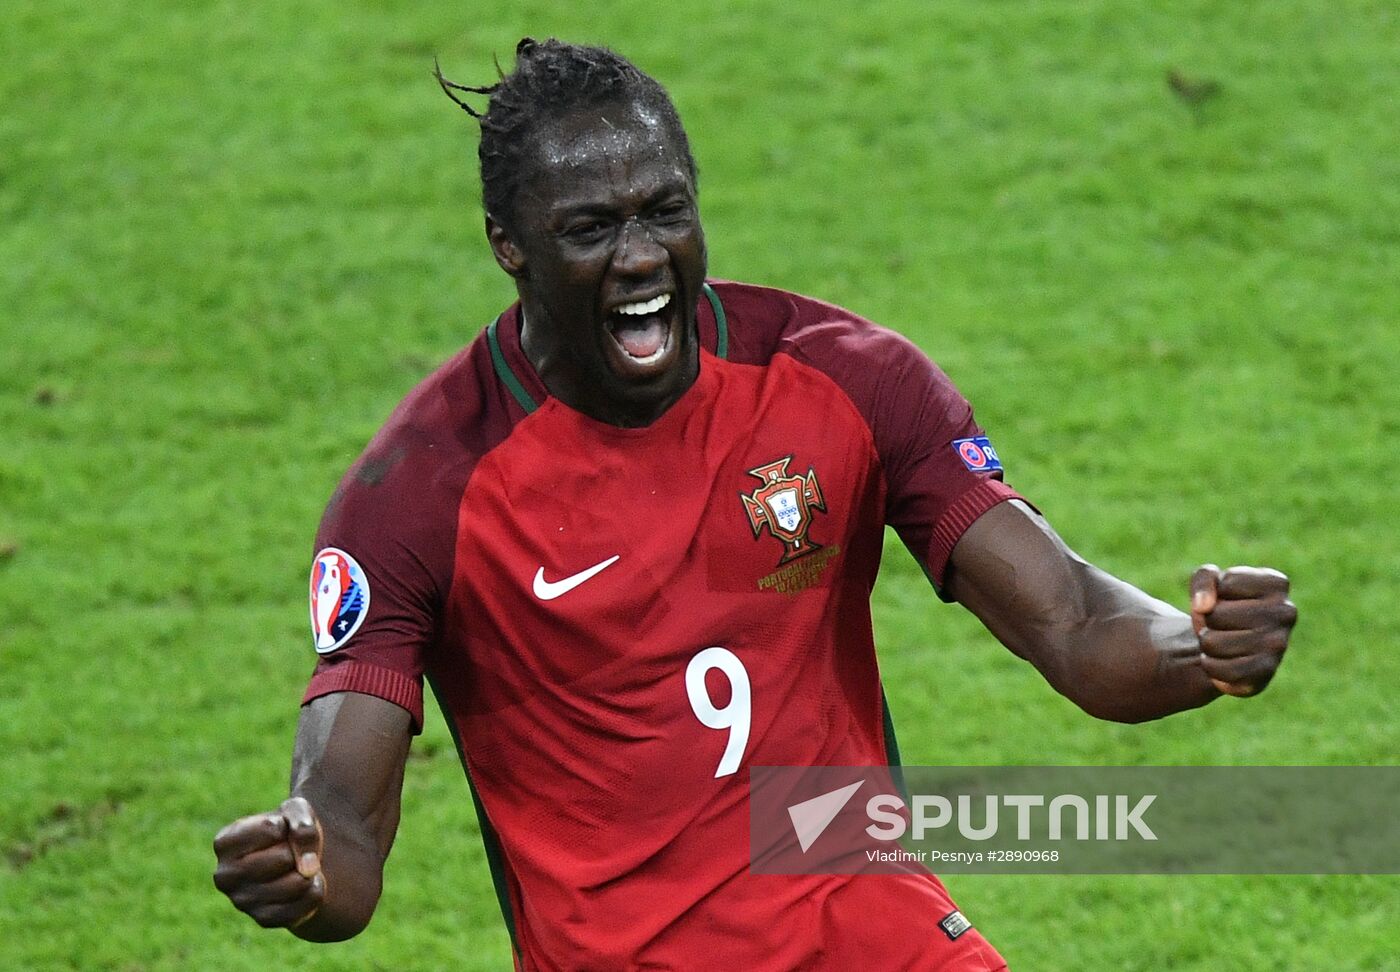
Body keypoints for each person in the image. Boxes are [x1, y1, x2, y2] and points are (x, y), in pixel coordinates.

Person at [212, 38, 1297, 970]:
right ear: (509, 247)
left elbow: (1069, 619)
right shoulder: (421, 494)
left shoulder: (840, 382)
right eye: (590, 229)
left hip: (867, 924)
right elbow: (344, 824)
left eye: (665, 212)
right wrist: (306, 863)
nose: (642, 259)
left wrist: (1193, 647)